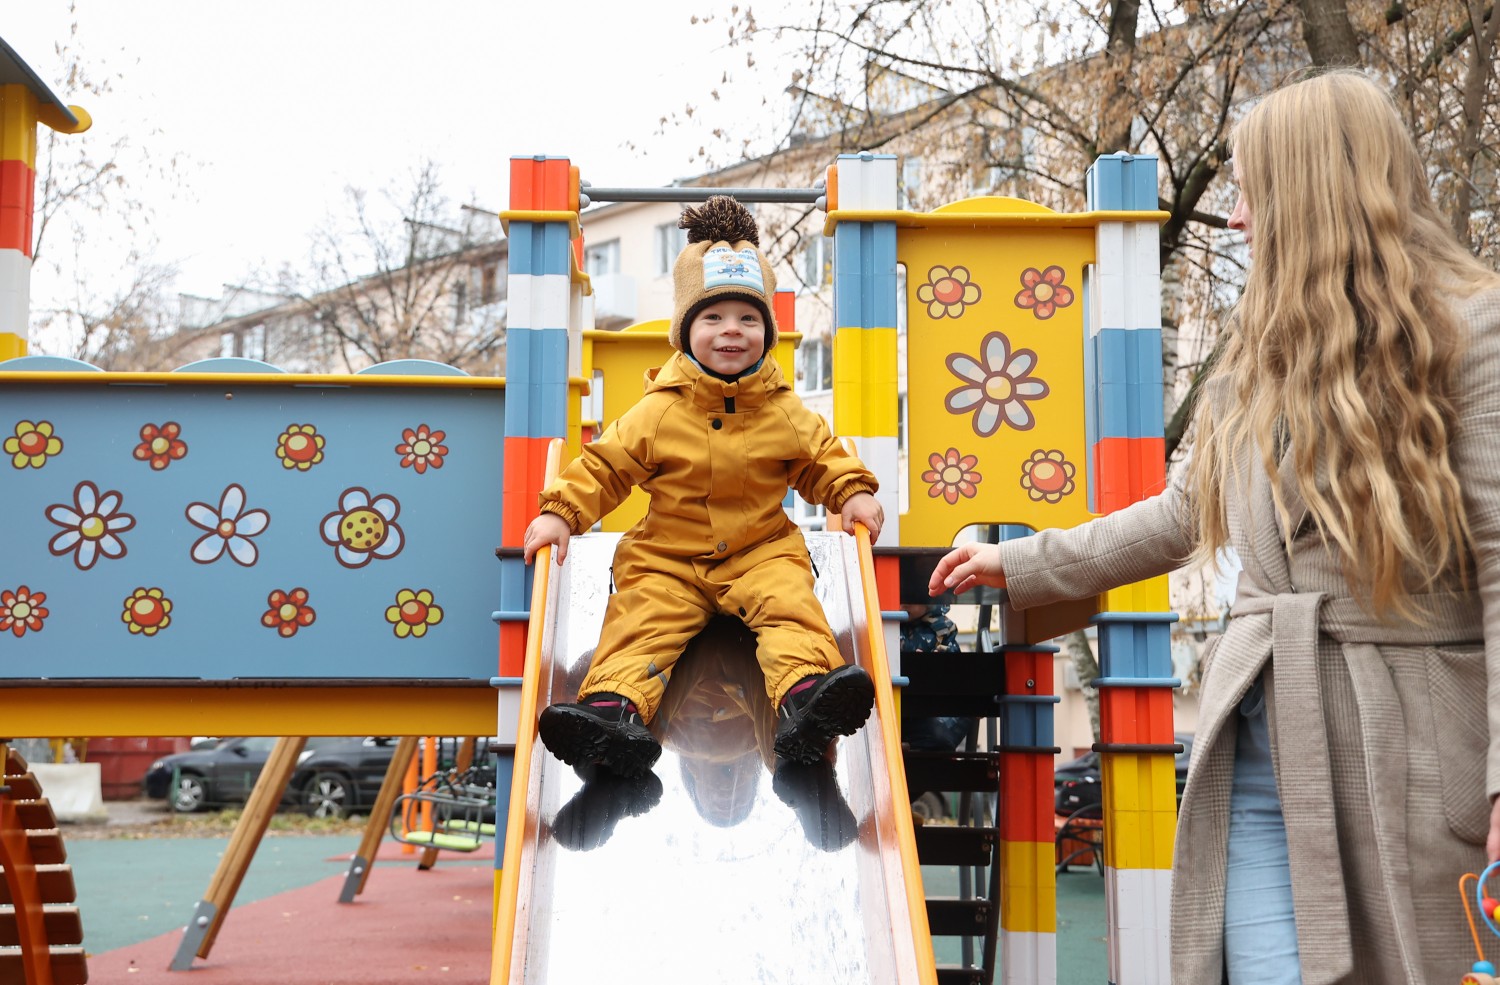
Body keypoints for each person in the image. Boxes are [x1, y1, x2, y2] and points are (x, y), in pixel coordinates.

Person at [929, 69, 1500, 985]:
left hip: (1408, 744)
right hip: (1260, 742)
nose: (1234, 218)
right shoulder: (1261, 353)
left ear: (1312, 193)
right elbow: (1185, 514)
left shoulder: (1474, 332)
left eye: (1251, 191)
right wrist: (1016, 561)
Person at [523, 195, 883, 781]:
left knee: (792, 607)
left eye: (747, 319)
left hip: (763, 550)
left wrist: (851, 492)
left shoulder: (784, 408)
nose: (731, 332)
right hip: (669, 558)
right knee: (641, 620)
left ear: (766, 331)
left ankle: (808, 701)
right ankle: (611, 715)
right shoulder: (659, 410)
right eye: (712, 319)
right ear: (685, 331)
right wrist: (563, 512)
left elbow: (821, 457)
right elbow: (607, 465)